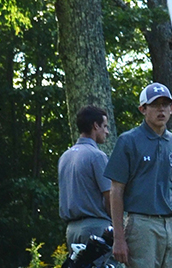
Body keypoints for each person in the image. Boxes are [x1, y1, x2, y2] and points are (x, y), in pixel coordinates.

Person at [104, 83, 172, 268]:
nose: (161, 109)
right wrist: (119, 238)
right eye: (155, 104)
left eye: (166, 104)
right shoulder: (128, 141)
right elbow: (116, 190)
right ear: (143, 109)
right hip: (142, 224)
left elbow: (171, 183)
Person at [59, 105, 112, 251]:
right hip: (95, 228)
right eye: (105, 126)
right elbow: (109, 196)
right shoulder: (97, 156)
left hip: (71, 231)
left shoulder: (65, 157)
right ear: (95, 126)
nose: (106, 132)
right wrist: (118, 226)